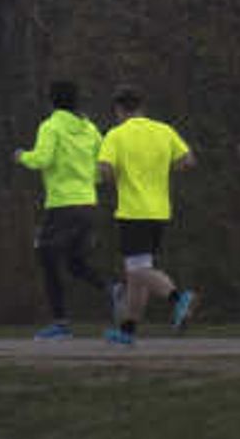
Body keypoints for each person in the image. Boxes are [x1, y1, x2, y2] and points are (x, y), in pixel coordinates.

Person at [93, 85, 199, 345]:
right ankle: (127, 331)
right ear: (142, 107)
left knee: (139, 271)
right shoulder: (164, 130)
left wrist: (114, 177)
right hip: (160, 210)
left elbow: (105, 170)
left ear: (119, 110)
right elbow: (189, 161)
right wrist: (162, 171)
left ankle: (178, 298)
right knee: (136, 274)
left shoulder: (116, 135)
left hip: (133, 210)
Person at [14, 80, 113, 340]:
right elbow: (101, 170)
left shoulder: (51, 126)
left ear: (52, 101)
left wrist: (22, 156)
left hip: (62, 205)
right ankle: (112, 289)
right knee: (74, 262)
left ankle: (60, 324)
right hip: (88, 205)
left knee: (46, 257)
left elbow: (42, 159)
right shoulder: (91, 129)